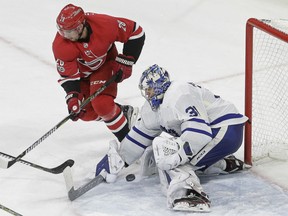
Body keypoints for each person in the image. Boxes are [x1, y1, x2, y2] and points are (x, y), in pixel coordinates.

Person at [96, 64, 249, 212]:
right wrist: (118, 158)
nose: (147, 94)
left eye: (149, 89)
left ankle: (189, 194)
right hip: (220, 133)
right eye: (145, 90)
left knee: (169, 154)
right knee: (174, 153)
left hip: (226, 130)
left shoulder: (178, 94)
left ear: (159, 86)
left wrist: (177, 157)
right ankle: (220, 164)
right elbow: (139, 135)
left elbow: (199, 133)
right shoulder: (153, 107)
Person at [52, 4, 145, 141]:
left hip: (105, 64)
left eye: (69, 32)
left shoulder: (104, 25)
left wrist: (127, 60)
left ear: (80, 26)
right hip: (82, 76)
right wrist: (73, 97)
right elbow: (68, 76)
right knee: (85, 112)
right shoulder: (60, 45)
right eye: (62, 32)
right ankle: (122, 114)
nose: (65, 36)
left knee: (102, 105)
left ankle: (131, 145)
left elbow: (136, 32)